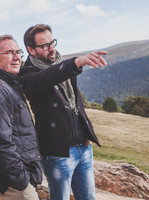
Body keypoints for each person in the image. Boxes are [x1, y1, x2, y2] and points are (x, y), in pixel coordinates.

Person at [19, 24, 107, 200]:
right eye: (44, 46)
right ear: (31, 49)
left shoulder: (61, 64)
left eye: (52, 42)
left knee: (88, 197)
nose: (51, 49)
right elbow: (49, 77)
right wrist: (76, 63)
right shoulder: (28, 74)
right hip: (57, 151)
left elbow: (75, 102)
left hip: (83, 145)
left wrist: (85, 130)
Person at [0, 35, 43, 200]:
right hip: (13, 185)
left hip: (17, 179)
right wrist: (21, 180)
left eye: (18, 52)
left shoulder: (5, 84)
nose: (17, 57)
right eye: (10, 53)